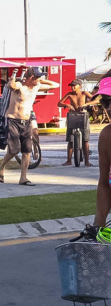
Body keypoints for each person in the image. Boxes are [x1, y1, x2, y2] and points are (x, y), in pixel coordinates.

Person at [0, 67, 58, 186]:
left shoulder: (36, 87)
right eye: (38, 77)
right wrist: (12, 79)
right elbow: (12, 86)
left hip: (27, 121)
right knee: (14, 149)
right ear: (31, 78)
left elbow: (56, 84)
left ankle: (23, 178)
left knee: (26, 150)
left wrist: (41, 81)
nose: (40, 79)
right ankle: (0, 167)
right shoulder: (20, 86)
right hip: (13, 120)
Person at [59, 79, 100, 167]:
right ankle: (69, 160)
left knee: (85, 139)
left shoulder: (84, 93)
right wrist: (67, 105)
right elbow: (59, 103)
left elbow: (96, 100)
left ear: (80, 86)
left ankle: (87, 161)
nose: (72, 87)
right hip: (72, 115)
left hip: (83, 115)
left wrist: (86, 104)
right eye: (71, 86)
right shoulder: (69, 94)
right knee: (70, 139)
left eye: (74, 85)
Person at [92, 78, 111, 230]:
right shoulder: (107, 135)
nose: (109, 108)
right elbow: (105, 183)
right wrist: (98, 225)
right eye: (105, 102)